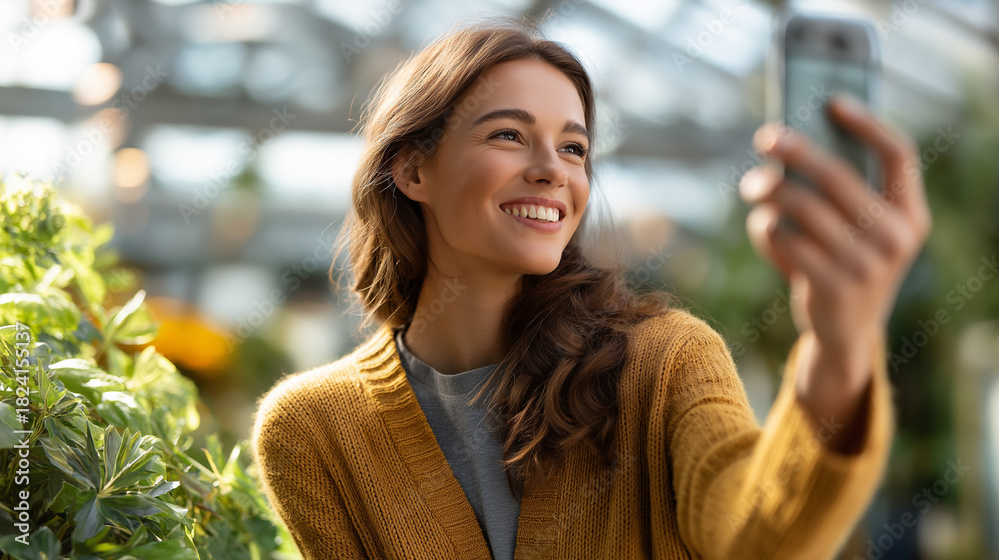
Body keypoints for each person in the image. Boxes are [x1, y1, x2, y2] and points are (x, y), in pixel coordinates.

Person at [250, 15, 931, 560]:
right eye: (510, 135)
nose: (553, 171)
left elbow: (756, 536)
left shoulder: (666, 362)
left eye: (574, 147)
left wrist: (840, 348)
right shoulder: (313, 431)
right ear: (413, 170)